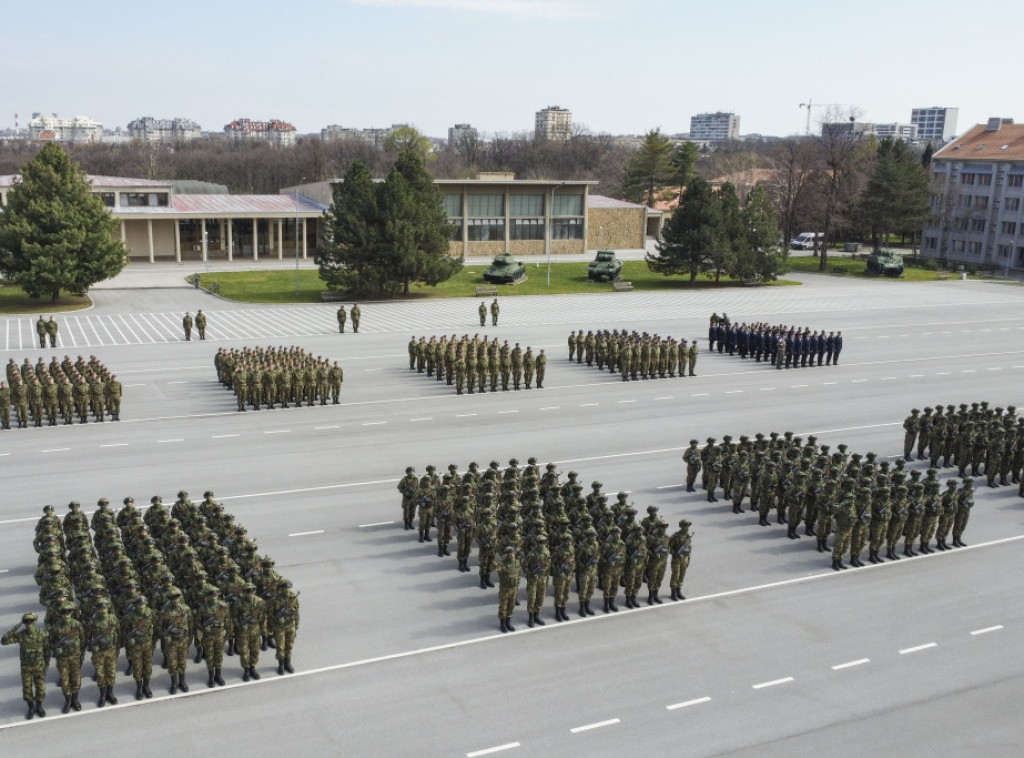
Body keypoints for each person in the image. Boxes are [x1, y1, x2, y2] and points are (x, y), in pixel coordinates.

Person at [2, 611, 50, 719]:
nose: (29, 623)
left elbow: (47, 651)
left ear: (35, 621)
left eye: (31, 621)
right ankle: (31, 708)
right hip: (26, 667)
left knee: (40, 688)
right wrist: (16, 627)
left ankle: (39, 706)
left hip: (38, 666)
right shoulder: (21, 635)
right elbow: (4, 641)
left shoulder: (42, 633)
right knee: (27, 689)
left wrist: (46, 665)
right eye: (26, 621)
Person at [49, 602, 84, 712]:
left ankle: (75, 699)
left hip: (75, 656)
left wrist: (79, 651)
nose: (66, 614)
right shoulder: (56, 627)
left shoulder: (77, 625)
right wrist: (56, 649)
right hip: (62, 658)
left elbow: (83, 639)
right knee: (65, 681)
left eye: (69, 612)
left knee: (76, 679)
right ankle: (68, 700)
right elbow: (50, 641)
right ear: (61, 613)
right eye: (64, 612)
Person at [159, 587, 192, 694]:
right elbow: (160, 627)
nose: (175, 600)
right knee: (172, 664)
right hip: (171, 642)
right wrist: (165, 638)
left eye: (177, 597)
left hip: (183, 640)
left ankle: (182, 682)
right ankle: (174, 683)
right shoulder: (164, 611)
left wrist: (190, 638)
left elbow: (190, 625)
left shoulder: (186, 609)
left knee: (182, 662)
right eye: (172, 598)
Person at [269, 581, 299, 675]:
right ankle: (281, 664)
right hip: (279, 627)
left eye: (288, 588)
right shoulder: (275, 599)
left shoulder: (293, 598)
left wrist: (296, 626)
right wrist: (274, 624)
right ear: (281, 588)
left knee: (289, 645)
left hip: (290, 625)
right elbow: (270, 614)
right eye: (285, 588)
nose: (287, 590)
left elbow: (296, 612)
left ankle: (288, 663)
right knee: (280, 647)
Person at [496, 545, 520, 632]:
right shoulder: (502, 564)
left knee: (511, 605)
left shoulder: (516, 562)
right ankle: (502, 624)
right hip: (505, 589)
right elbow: (494, 568)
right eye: (510, 553)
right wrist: (499, 566)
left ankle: (508, 622)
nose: (512, 554)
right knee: (503, 606)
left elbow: (518, 574)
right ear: (506, 554)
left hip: (513, 588)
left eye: (513, 553)